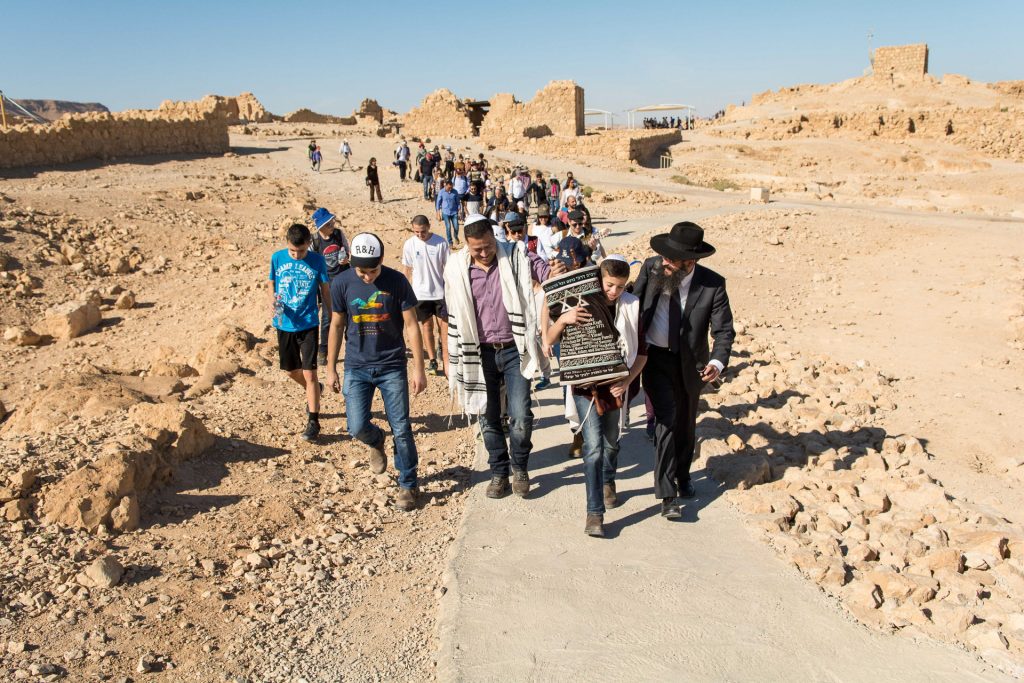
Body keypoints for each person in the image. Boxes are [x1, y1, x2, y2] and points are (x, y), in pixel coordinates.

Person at [632, 222, 735, 518]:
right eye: (664, 257)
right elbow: (632, 305)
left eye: (671, 260)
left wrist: (717, 362)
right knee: (666, 419)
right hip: (654, 359)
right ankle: (667, 496)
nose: (664, 262)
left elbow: (724, 330)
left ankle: (684, 474)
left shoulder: (713, 285)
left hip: (692, 365)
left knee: (686, 425)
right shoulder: (651, 269)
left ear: (690, 263)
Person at [325, 233, 427, 511]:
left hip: (392, 365)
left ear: (381, 260)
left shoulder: (397, 282)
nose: (367, 277)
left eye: (372, 270)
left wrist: (419, 368)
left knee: (402, 427)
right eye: (361, 271)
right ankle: (376, 440)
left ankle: (407, 484)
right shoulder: (342, 283)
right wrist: (331, 367)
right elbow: (335, 325)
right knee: (356, 426)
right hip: (356, 366)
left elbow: (412, 325)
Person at [444, 214, 543, 499]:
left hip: (514, 350)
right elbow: (449, 314)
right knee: (487, 419)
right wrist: (448, 358)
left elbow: (538, 266)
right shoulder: (456, 269)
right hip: (479, 353)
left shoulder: (514, 256)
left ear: (494, 237)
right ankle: (499, 472)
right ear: (467, 246)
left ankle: (520, 467)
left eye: (488, 246)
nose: (485, 253)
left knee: (521, 415)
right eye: (478, 249)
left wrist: (554, 272)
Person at [545, 256, 645, 536]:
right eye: (609, 285)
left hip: (614, 386)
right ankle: (594, 514)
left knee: (611, 442)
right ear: (598, 279)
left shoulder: (631, 307)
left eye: (621, 287)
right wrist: (563, 319)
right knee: (593, 447)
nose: (614, 292)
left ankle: (608, 480)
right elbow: (549, 339)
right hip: (583, 386)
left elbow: (643, 353)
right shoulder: (579, 302)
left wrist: (626, 381)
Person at [269, 223, 331, 442]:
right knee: (291, 371)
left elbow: (325, 289)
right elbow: (272, 283)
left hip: (308, 323)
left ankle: (314, 421)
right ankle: (315, 389)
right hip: (285, 323)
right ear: (287, 243)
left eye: (302, 251)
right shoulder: (277, 258)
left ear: (308, 245)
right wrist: (273, 305)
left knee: (309, 373)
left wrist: (331, 316)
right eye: (293, 251)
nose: (297, 255)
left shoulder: (317, 260)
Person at [402, 215, 450, 377]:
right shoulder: (409, 244)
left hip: (440, 292)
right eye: (416, 232)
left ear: (429, 227)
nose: (420, 235)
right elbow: (407, 269)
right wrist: (405, 290)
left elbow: (448, 267)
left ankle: (446, 355)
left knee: (444, 327)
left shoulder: (441, 242)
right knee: (427, 326)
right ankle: (432, 360)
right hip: (420, 293)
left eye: (422, 231)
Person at [310, 207, 351, 366]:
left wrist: (347, 259)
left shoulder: (339, 234)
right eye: (328, 224)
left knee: (348, 315)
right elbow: (311, 264)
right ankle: (323, 350)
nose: (332, 225)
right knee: (328, 317)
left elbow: (348, 251)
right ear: (320, 227)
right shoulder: (314, 241)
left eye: (332, 222)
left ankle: (351, 347)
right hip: (327, 284)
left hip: (344, 280)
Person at [435, 179, 463, 246]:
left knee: (456, 226)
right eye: (449, 187)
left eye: (451, 187)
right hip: (445, 212)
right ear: (446, 185)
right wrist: (438, 214)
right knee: (448, 227)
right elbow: (438, 204)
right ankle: (450, 242)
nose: (450, 189)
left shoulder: (455, 192)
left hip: (454, 212)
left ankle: (456, 237)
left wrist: (459, 212)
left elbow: (458, 203)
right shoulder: (441, 192)